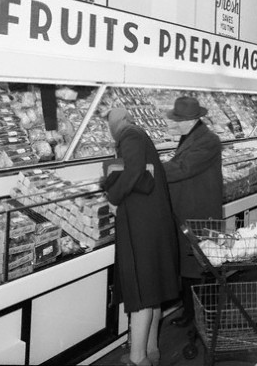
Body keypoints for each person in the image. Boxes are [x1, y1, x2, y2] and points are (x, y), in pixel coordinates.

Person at [102, 108, 180, 366]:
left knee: (141, 292)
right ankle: (151, 349)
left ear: (117, 123)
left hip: (141, 226)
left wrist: (113, 198)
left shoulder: (130, 135)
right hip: (153, 224)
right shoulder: (139, 134)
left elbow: (133, 170)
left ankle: (137, 359)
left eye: (109, 124)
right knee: (153, 289)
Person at [162, 96, 223, 328]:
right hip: (187, 211)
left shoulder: (209, 140)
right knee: (189, 269)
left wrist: (148, 167)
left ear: (192, 120)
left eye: (179, 120)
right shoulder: (190, 136)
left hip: (200, 213)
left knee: (204, 268)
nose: (175, 124)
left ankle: (208, 319)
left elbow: (183, 167)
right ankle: (190, 313)